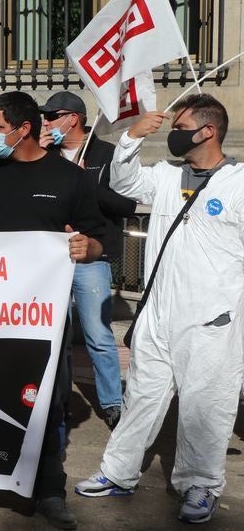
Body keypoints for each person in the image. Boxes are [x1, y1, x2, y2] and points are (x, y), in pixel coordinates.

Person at [0, 91, 109, 530]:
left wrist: (85, 247)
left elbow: (98, 240)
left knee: (48, 403)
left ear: (24, 130)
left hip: (44, 319)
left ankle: (49, 490)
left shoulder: (69, 179)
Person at [75, 94, 244, 525]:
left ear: (207, 131)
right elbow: (123, 182)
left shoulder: (238, 184)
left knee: (206, 405)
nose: (173, 130)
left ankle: (200, 484)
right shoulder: (167, 176)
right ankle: (118, 472)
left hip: (210, 319)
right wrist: (131, 137)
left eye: (181, 123)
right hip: (158, 311)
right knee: (141, 398)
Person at [41, 91, 134, 429]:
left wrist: (86, 182)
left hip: (92, 258)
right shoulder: (43, 155)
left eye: (52, 116)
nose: (46, 122)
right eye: (45, 117)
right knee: (57, 335)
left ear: (74, 118)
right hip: (53, 258)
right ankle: (60, 400)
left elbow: (127, 206)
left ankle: (112, 404)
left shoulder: (106, 155)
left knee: (98, 336)